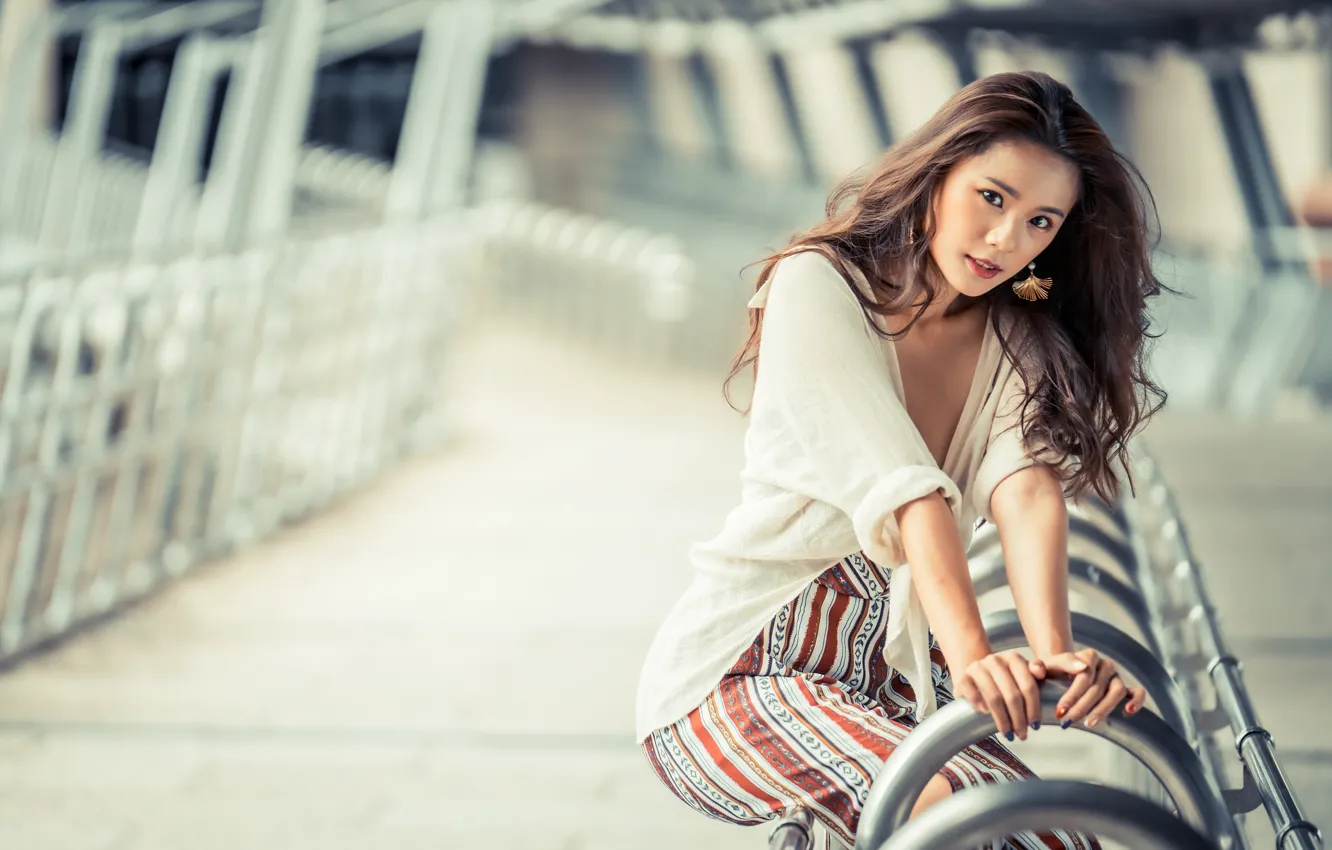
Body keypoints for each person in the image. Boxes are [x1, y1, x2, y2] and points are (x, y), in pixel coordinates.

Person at [635, 71, 1167, 850]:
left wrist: (1056, 655)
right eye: (992, 198)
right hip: (735, 679)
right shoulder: (818, 285)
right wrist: (977, 656)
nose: (1005, 241)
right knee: (944, 806)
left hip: (893, 693)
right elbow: (908, 493)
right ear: (938, 173)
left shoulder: (1013, 335)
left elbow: (1025, 490)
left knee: (1056, 834)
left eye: (1039, 221)